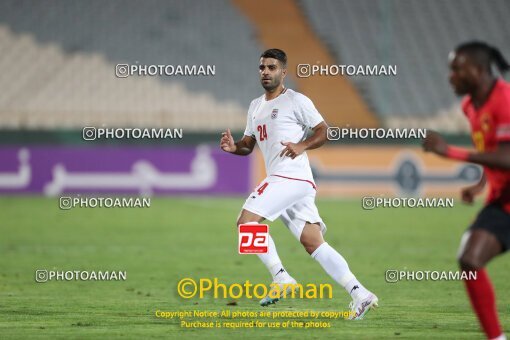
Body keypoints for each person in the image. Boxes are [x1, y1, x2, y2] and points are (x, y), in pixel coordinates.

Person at [220, 48, 378, 319]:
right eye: (262, 68)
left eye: (272, 67)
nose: (266, 72)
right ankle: (360, 293)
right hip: (293, 182)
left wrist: (301, 145)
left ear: (284, 72)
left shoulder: (296, 100)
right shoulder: (255, 106)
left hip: (290, 175)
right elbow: (248, 145)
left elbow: (324, 130)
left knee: (246, 223)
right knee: (313, 242)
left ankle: (280, 277)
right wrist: (234, 147)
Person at [423, 41, 510, 340]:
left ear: (478, 70)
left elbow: (508, 157)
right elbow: (493, 151)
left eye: (457, 69)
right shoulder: (470, 106)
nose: (451, 76)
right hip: (505, 201)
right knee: (470, 259)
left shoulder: (505, 99)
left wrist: (449, 152)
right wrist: (482, 184)